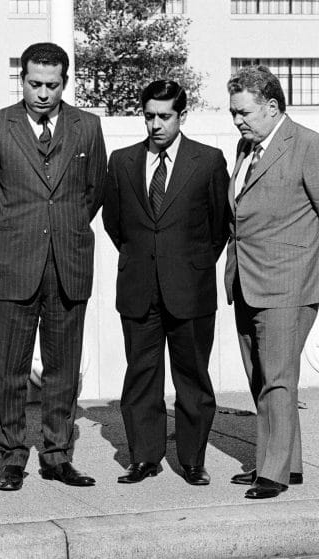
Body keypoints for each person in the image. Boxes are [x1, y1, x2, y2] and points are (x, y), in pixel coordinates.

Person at [0, 42, 106, 491]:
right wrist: (16, 235)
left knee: (62, 368)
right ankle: (11, 456)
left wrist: (59, 232)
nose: (43, 93)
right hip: (15, 262)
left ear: (65, 82)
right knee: (10, 368)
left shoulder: (87, 127)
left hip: (68, 261)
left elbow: (93, 193)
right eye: (34, 84)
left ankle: (57, 454)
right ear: (21, 80)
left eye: (52, 85)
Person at [102, 80, 229, 486]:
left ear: (182, 116)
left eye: (164, 116)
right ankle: (145, 456)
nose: (155, 124)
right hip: (139, 288)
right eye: (149, 116)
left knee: (192, 377)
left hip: (189, 289)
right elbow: (114, 223)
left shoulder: (207, 161)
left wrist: (189, 266)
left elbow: (217, 228)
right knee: (141, 375)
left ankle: (192, 459)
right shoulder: (122, 161)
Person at [225, 66, 319, 499]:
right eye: (233, 114)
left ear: (272, 106)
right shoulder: (246, 147)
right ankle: (285, 462)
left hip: (290, 284)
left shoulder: (307, 146)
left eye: (244, 112)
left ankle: (273, 473)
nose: (238, 121)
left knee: (278, 378)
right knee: (260, 376)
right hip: (245, 279)